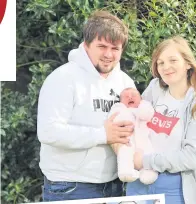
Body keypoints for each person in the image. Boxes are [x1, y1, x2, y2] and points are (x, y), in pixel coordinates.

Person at [37, 10, 135, 201]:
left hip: (114, 186)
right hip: (70, 187)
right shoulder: (63, 78)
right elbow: (48, 131)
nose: (108, 54)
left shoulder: (125, 83)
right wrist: (102, 134)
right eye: (102, 46)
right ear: (86, 45)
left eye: (115, 49)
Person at [126, 36, 196, 204]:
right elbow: (136, 122)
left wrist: (145, 161)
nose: (166, 67)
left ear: (188, 64)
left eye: (173, 60)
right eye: (160, 63)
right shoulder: (155, 88)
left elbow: (191, 157)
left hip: (175, 189)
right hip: (139, 182)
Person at [109, 88, 158, 184]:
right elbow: (116, 118)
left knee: (149, 152)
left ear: (141, 98)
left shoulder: (144, 104)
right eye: (126, 97)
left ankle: (148, 173)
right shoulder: (119, 108)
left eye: (134, 95)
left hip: (144, 139)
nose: (130, 97)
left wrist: (141, 109)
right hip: (127, 139)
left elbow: (146, 114)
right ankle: (125, 172)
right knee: (124, 152)